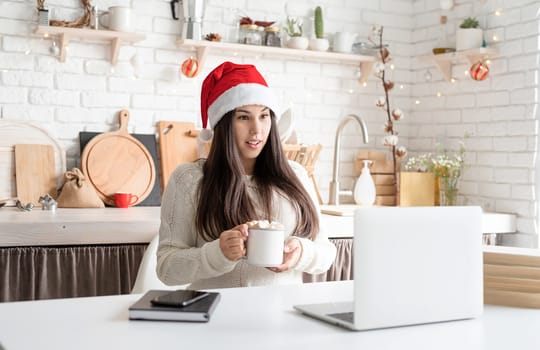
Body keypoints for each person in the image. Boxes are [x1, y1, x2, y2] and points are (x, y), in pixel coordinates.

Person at [156, 61, 336, 289]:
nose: (257, 129)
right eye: (243, 117)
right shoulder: (189, 180)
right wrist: (216, 254)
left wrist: (301, 253)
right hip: (215, 315)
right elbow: (166, 268)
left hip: (282, 316)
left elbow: (327, 253)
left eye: (264, 116)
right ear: (223, 124)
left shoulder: (297, 175)